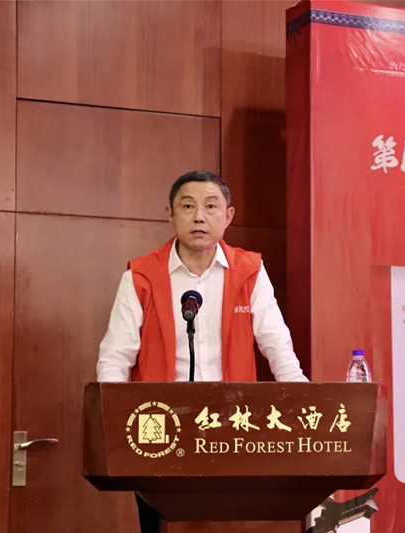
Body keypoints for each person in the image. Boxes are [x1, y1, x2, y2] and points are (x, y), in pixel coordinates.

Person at [96, 170, 308, 532]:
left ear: (228, 216)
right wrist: (114, 423)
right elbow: (115, 357)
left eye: (211, 207)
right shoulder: (141, 276)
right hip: (160, 429)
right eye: (188, 206)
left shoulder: (249, 272)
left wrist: (304, 401)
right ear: (170, 213)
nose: (199, 217)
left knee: (228, 524)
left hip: (233, 427)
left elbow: (277, 345)